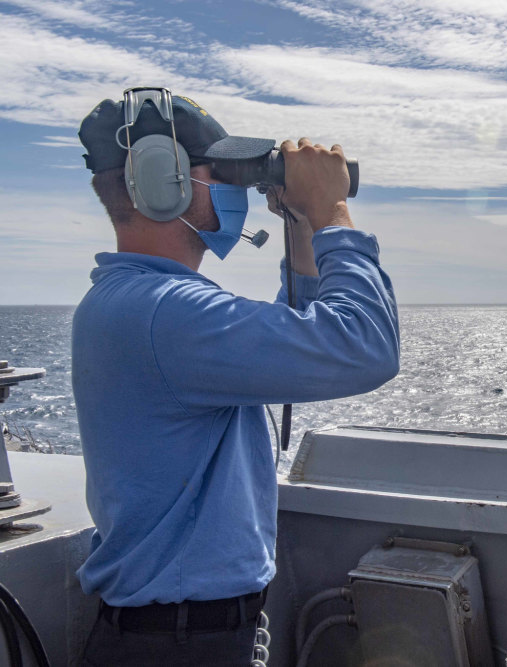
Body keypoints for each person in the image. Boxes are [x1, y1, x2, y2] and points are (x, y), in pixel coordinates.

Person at [73, 88, 400, 665]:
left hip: (173, 635)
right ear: (163, 181)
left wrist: (300, 229)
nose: (234, 192)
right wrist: (333, 216)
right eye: (220, 173)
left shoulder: (134, 303)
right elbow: (364, 346)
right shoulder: (166, 314)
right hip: (181, 645)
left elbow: (300, 332)